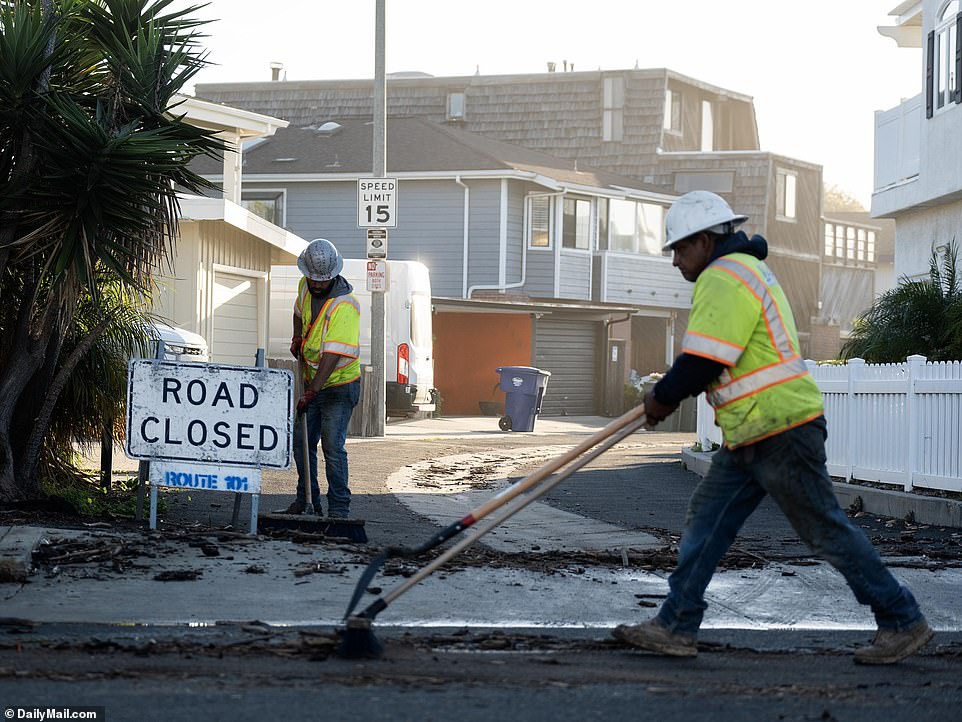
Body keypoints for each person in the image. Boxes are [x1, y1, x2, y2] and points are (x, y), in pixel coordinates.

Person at [612, 191, 932, 665]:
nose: (676, 260)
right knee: (706, 523)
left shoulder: (724, 277)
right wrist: (664, 396)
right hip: (751, 433)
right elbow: (712, 359)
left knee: (824, 529)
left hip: (781, 429)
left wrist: (660, 399)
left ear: (704, 241)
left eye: (680, 249)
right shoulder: (742, 271)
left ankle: (902, 619)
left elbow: (704, 358)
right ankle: (676, 624)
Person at [286, 238, 361, 518]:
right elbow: (297, 312)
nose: (316, 285)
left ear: (334, 275)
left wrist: (312, 391)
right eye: (312, 279)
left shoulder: (345, 306)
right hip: (313, 384)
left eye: (322, 280)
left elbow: (332, 355)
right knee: (302, 443)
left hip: (339, 386)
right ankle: (307, 501)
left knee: (332, 446)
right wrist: (297, 336)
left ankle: (339, 509)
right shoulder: (304, 287)